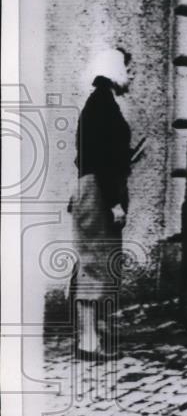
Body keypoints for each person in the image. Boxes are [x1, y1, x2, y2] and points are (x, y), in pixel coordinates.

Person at [70, 47, 139, 360]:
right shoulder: (103, 105)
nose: (131, 74)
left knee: (96, 264)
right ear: (115, 69)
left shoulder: (99, 103)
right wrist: (114, 202)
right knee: (93, 266)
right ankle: (87, 341)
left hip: (94, 189)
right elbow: (104, 160)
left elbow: (86, 155)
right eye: (128, 67)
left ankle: (90, 333)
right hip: (99, 192)